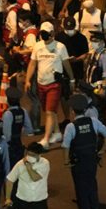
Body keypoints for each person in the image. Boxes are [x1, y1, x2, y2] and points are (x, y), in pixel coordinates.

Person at [24, 21, 75, 149]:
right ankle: (57, 133)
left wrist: (72, 79)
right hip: (41, 83)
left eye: (46, 33)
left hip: (54, 84)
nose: (44, 36)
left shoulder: (60, 47)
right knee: (48, 111)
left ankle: (46, 139)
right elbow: (32, 63)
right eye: (42, 33)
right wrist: (28, 80)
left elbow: (66, 64)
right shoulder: (37, 46)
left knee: (49, 111)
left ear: (52, 33)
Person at [62, 94, 106, 209]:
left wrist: (66, 161)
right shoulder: (93, 122)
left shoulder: (71, 127)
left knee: (81, 189)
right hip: (92, 160)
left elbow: (66, 146)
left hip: (78, 162)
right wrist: (102, 151)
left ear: (72, 111)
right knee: (92, 186)